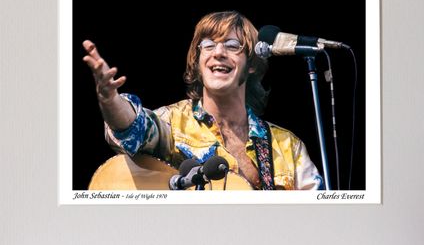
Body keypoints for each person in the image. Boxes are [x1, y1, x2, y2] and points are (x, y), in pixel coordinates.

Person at [83, 11, 323, 190]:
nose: (218, 52)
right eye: (208, 45)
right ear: (198, 62)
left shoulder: (288, 147)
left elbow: (317, 222)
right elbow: (132, 128)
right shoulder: (174, 123)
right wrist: (109, 99)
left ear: (251, 64)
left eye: (232, 45)